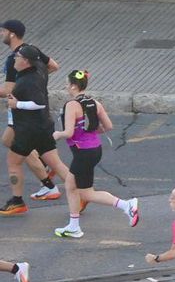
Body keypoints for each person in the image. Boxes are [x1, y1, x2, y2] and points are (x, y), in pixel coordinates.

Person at [49, 69, 138, 239]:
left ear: (74, 86)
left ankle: (126, 206)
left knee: (78, 189)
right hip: (95, 150)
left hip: (82, 152)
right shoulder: (94, 103)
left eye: (67, 84)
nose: (66, 87)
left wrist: (56, 134)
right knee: (78, 188)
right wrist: (89, 133)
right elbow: (108, 126)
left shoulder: (71, 105)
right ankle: (75, 225)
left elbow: (68, 133)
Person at [2, 45, 72, 219]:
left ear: (26, 61)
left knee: (13, 162)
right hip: (43, 126)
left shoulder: (28, 81)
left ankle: (17, 201)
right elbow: (50, 62)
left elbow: (38, 102)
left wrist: (16, 104)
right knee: (55, 163)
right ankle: (81, 194)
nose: (14, 59)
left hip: (28, 130)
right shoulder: (40, 68)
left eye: (17, 56)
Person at [0, 20, 60, 204]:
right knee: (11, 142)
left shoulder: (14, 60)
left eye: (2, 31)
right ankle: (48, 181)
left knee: (15, 146)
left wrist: (27, 86)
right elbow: (54, 66)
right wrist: (37, 82)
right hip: (32, 113)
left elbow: (8, 89)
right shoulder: (32, 50)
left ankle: (48, 185)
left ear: (12, 34)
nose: (0, 34)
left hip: (22, 112)